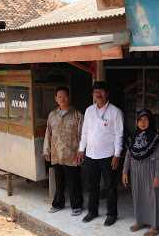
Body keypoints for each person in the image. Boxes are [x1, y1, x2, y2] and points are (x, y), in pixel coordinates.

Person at [78, 81, 124, 226]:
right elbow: (84, 132)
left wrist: (117, 154)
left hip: (108, 155)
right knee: (93, 185)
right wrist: (81, 149)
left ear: (107, 93)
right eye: (95, 91)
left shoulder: (115, 112)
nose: (98, 94)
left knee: (110, 186)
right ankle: (93, 211)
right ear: (93, 94)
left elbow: (119, 134)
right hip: (91, 154)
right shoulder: (89, 110)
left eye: (101, 91)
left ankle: (112, 214)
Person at [122, 109, 159, 236]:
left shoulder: (156, 139)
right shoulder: (133, 137)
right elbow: (128, 155)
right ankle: (140, 221)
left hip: (150, 171)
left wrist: (157, 176)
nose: (142, 122)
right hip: (136, 172)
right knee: (138, 196)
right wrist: (125, 171)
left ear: (150, 121)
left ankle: (154, 226)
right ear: (136, 122)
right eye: (140, 120)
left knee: (152, 198)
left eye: (146, 119)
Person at [43, 87, 84, 216]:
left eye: (65, 96)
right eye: (59, 96)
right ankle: (58, 203)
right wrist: (46, 150)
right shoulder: (52, 115)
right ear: (56, 99)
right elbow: (48, 134)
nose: (62, 99)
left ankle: (76, 205)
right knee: (58, 181)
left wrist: (81, 151)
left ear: (69, 97)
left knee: (74, 181)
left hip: (72, 155)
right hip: (56, 154)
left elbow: (83, 135)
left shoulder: (77, 115)